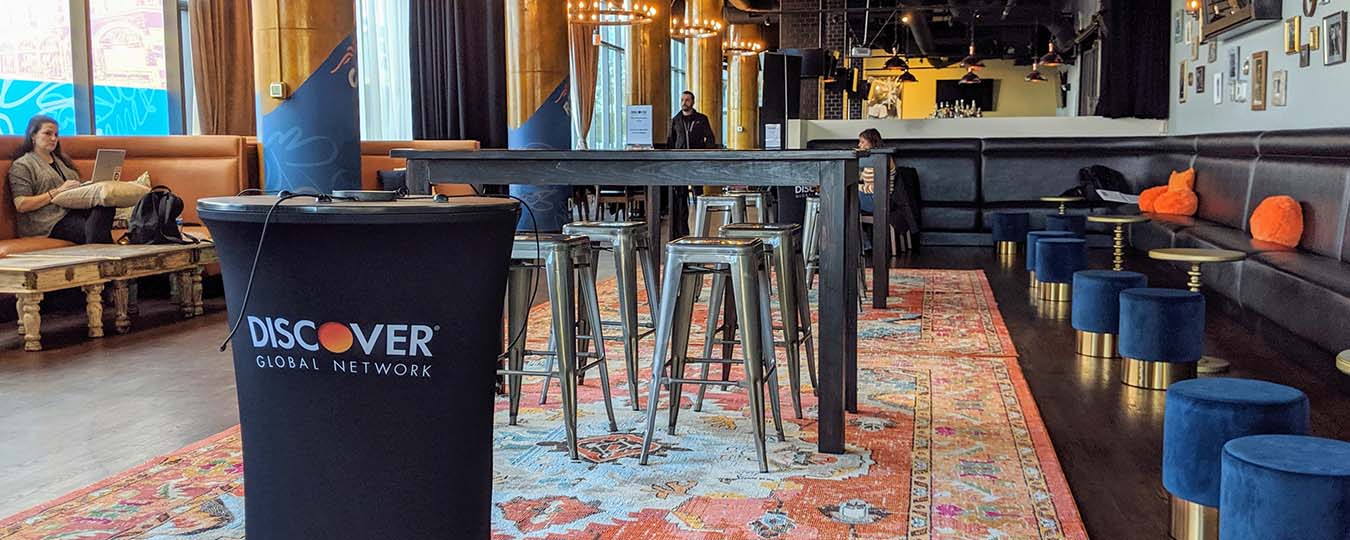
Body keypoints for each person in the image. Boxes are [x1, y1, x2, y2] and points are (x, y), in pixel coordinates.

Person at [8, 115, 114, 244]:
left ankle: (99, 249)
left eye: (56, 134)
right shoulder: (22, 165)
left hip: (72, 211)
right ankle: (103, 250)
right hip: (47, 221)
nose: (53, 138)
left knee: (106, 205)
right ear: (33, 136)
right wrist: (57, 191)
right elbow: (21, 204)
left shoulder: (62, 161)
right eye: (47, 133)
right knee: (93, 230)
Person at [666, 91, 716, 237]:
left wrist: (705, 155)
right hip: (680, 164)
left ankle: (701, 230)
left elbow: (710, 139)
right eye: (682, 99)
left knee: (698, 195)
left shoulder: (701, 119)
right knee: (680, 198)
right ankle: (682, 232)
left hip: (697, 162)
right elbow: (671, 141)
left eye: (687, 100)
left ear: (693, 102)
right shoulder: (675, 120)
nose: (684, 102)